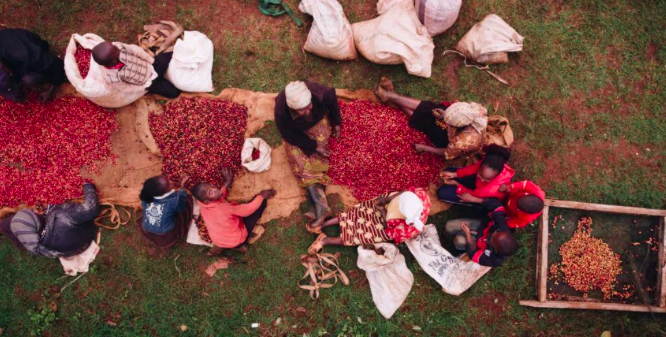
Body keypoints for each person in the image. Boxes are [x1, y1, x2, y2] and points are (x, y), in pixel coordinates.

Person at [274, 80, 342, 229]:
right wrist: (313, 147)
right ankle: (320, 207)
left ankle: (317, 207)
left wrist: (336, 123)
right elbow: (289, 134)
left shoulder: (321, 94)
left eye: (308, 106)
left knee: (321, 147)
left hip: (318, 124)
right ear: (292, 109)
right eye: (301, 110)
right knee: (296, 157)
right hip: (298, 133)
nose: (307, 111)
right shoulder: (281, 112)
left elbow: (332, 102)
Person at [374, 77, 487, 161]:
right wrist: (444, 114)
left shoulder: (463, 143)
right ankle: (392, 96)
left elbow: (446, 153)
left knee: (428, 124)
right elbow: (453, 112)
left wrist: (424, 148)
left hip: (445, 140)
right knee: (429, 108)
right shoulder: (475, 111)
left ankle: (391, 97)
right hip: (456, 127)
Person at [307, 188, 430, 254]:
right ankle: (324, 224)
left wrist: (382, 211)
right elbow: (403, 193)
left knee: (362, 235)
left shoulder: (409, 229)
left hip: (386, 226)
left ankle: (325, 240)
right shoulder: (418, 195)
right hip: (385, 208)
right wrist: (386, 200)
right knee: (358, 212)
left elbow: (388, 228)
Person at [0, 183, 99, 258]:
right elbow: (90, 209)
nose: (36, 211)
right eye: (33, 214)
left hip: (71, 249)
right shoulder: (62, 218)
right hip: (86, 234)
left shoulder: (38, 244)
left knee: (12, 223)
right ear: (37, 221)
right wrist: (88, 187)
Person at [192, 168, 276, 255]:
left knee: (225, 230)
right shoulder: (224, 207)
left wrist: (226, 184)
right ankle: (239, 245)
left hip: (218, 239)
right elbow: (247, 210)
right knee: (258, 208)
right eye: (210, 192)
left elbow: (219, 198)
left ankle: (219, 247)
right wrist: (261, 196)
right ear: (206, 201)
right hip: (236, 238)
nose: (215, 189)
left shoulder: (202, 204)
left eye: (211, 186)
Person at [91, 41, 180, 99]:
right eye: (116, 50)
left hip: (152, 65)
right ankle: (160, 83)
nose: (117, 47)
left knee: (175, 54)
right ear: (114, 60)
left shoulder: (119, 46)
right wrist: (144, 87)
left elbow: (136, 51)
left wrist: (151, 60)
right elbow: (126, 88)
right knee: (174, 93)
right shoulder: (112, 77)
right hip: (149, 82)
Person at [445, 199, 518, 267]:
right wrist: (473, 199)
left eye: (493, 238)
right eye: (496, 232)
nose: (493, 233)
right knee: (449, 226)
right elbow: (497, 206)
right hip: (479, 227)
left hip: (475, 242)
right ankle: (447, 237)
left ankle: (455, 247)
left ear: (495, 249)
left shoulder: (494, 260)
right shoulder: (502, 227)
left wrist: (468, 234)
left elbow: (473, 255)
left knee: (459, 240)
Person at [0, 28, 66, 102]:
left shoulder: (28, 57)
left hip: (33, 47)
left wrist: (50, 91)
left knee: (30, 79)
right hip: (12, 46)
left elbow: (57, 65)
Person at [437, 144, 514, 206]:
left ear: (496, 176)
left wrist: (457, 184)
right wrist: (455, 174)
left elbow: (474, 194)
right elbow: (473, 168)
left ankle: (474, 206)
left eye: (487, 179)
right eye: (480, 175)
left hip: (481, 197)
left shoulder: (489, 190)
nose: (482, 179)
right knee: (449, 171)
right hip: (478, 186)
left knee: (441, 193)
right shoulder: (490, 164)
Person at [454, 180, 545, 229]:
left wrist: (501, 221)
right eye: (519, 199)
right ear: (530, 194)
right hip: (508, 194)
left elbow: (513, 223)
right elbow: (524, 184)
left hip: (504, 210)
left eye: (517, 206)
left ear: (524, 211)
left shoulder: (526, 219)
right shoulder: (537, 192)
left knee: (489, 206)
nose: (515, 201)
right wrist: (509, 187)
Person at [139, 175, 193, 248]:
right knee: (187, 202)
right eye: (168, 184)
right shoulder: (174, 200)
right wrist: (182, 188)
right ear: (163, 192)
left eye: (166, 179)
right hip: (164, 232)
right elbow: (182, 208)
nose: (171, 181)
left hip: (147, 227)